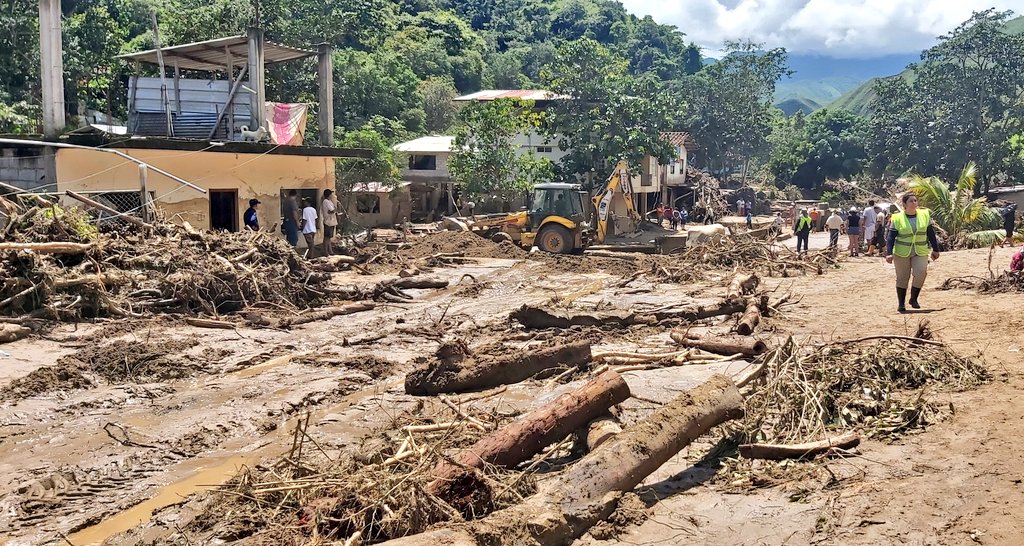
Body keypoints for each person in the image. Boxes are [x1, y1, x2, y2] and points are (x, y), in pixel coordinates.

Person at [886, 193, 941, 313]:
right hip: (901, 252)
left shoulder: (924, 215)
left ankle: (913, 299)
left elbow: (930, 233)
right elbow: (890, 237)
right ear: (904, 204)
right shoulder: (897, 218)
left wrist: (935, 249)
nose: (914, 203)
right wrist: (888, 253)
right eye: (911, 201)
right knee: (902, 278)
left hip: (920, 251)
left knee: (921, 273)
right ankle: (901, 304)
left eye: (915, 201)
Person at [320, 189, 337, 257]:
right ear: (329, 195)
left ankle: (330, 250)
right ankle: (326, 251)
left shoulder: (330, 201)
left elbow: (334, 209)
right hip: (328, 221)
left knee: (329, 237)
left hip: (331, 221)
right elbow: (332, 210)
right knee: (326, 237)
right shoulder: (326, 201)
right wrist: (334, 210)